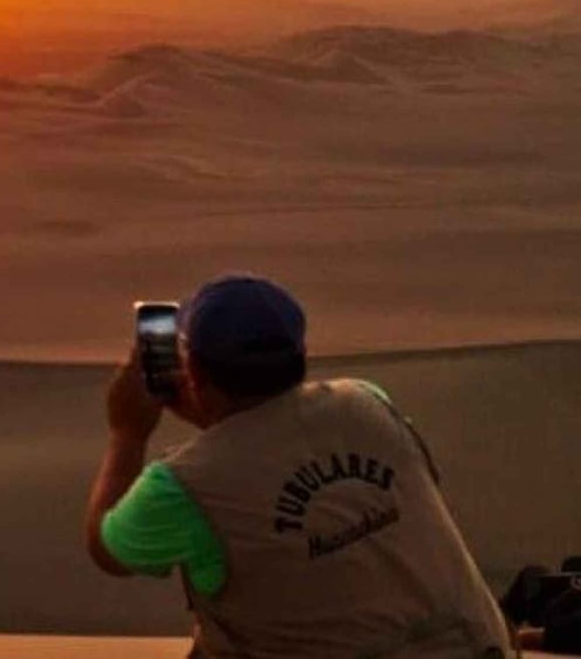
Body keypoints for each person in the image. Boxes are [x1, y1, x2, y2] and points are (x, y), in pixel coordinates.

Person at [84, 275, 515, 658]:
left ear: (193, 369)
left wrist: (128, 433)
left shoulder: (184, 485)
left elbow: (110, 550)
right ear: (302, 354)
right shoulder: (366, 402)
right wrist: (218, 424)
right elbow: (280, 450)